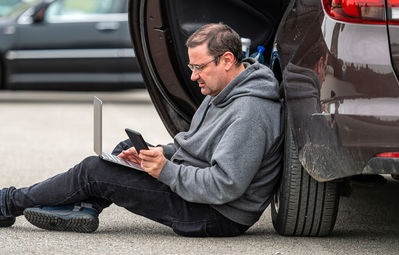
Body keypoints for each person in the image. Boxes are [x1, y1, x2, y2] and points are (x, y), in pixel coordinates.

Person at [0, 23, 283, 237]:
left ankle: (7, 203)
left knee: (93, 170)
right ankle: (84, 207)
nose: (193, 75)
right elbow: (197, 145)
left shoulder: (250, 113)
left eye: (199, 67)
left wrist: (165, 170)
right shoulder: (224, 90)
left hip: (215, 215)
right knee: (126, 150)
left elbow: (224, 186)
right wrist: (160, 153)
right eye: (190, 66)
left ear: (227, 60)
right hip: (198, 192)